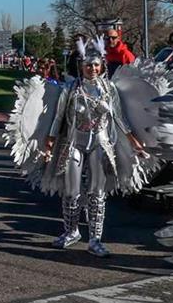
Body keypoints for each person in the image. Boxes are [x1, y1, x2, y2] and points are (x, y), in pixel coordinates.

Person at [42, 38, 146, 257]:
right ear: (81, 66)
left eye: (96, 64)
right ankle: (71, 231)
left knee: (97, 193)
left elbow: (118, 116)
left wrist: (132, 139)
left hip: (100, 143)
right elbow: (59, 116)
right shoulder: (71, 88)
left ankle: (95, 239)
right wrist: (50, 139)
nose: (92, 68)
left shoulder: (109, 89)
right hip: (74, 143)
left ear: (102, 66)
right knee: (71, 191)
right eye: (88, 65)